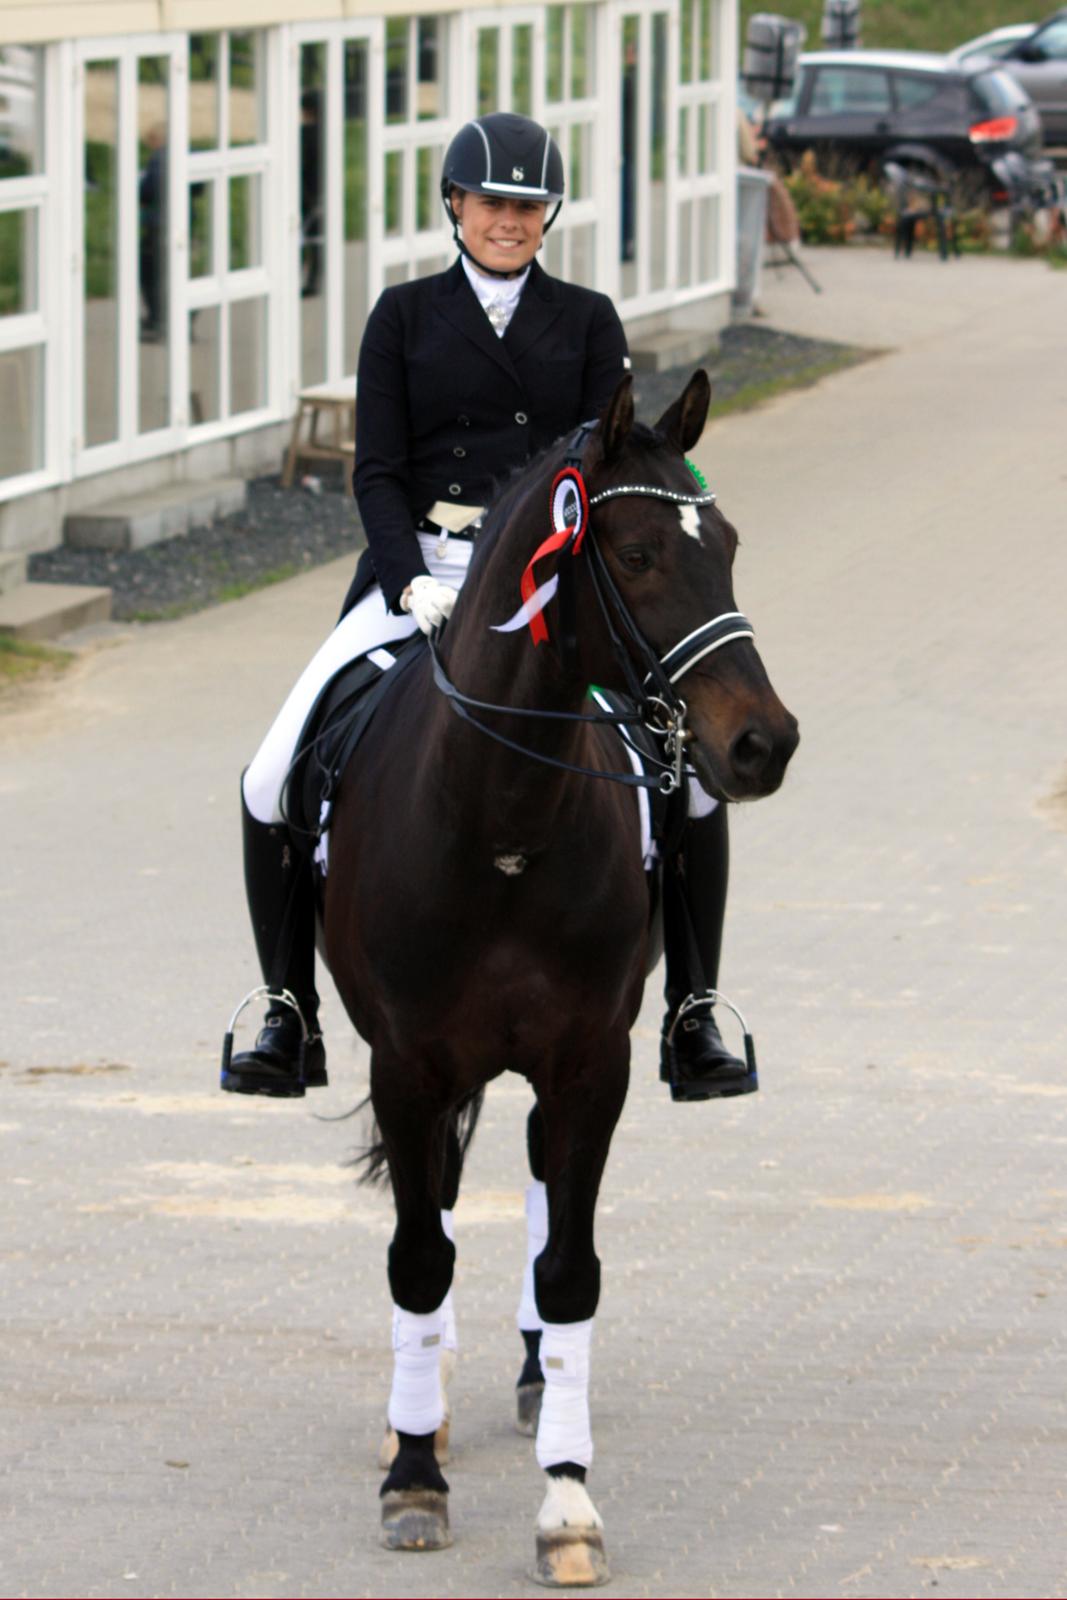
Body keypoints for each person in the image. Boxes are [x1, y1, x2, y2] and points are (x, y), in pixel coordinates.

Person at [223, 112, 749, 1106]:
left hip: (547, 587)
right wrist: (404, 581)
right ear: (455, 206)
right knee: (267, 775)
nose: (508, 220)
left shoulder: (588, 319)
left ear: (546, 216)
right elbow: (374, 471)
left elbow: (609, 468)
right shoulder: (403, 316)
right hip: (414, 573)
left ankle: (692, 1007)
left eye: (526, 205)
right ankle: (285, 1006)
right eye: (492, 202)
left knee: (687, 780)